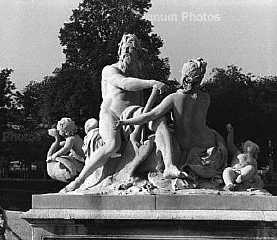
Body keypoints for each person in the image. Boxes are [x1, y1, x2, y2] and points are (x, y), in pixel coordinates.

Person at [63, 34, 170, 192]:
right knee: (113, 144)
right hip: (110, 114)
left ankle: (169, 165)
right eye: (124, 49)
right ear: (119, 50)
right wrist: (151, 83)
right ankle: (78, 181)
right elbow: (124, 83)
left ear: (137, 54)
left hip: (130, 114)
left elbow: (141, 104)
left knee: (158, 117)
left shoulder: (136, 76)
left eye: (131, 50)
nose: (127, 52)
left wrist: (138, 128)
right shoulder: (110, 69)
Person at [115, 58, 228, 180]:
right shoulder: (206, 98)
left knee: (160, 123)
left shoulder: (175, 98)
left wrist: (125, 122)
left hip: (185, 143)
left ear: (184, 76)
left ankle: (169, 166)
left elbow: (150, 115)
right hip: (207, 144)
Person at [46, 117, 85, 183]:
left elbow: (66, 149)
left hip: (81, 160)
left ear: (63, 130)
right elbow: (68, 145)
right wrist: (58, 143)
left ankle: (72, 174)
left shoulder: (71, 139)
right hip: (80, 159)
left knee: (62, 158)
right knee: (66, 158)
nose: (58, 132)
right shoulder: (74, 137)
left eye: (59, 130)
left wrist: (55, 154)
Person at [223, 124, 260, 191]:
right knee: (227, 171)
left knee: (251, 168)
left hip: (244, 174)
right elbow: (230, 144)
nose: (248, 147)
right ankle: (229, 184)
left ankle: (240, 180)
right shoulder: (237, 153)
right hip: (234, 170)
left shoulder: (253, 160)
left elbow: (254, 172)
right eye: (247, 145)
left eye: (250, 146)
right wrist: (230, 133)